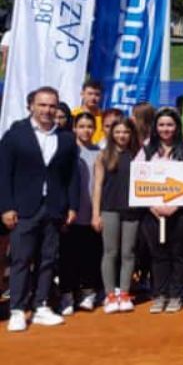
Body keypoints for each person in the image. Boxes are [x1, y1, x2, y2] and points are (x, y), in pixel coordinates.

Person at [140, 107, 183, 314]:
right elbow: (137, 179)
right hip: (153, 213)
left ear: (176, 127)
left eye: (169, 125)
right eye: (161, 125)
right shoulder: (147, 150)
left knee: (179, 254)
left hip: (180, 213)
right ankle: (160, 294)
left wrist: (174, 207)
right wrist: (154, 207)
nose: (165, 129)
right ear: (155, 127)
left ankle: (176, 294)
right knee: (158, 254)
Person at [93, 118, 141, 314]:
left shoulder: (138, 156)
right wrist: (95, 214)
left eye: (126, 132)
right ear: (112, 134)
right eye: (118, 132)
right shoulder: (103, 155)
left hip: (132, 210)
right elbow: (97, 186)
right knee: (110, 252)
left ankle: (125, 293)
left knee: (128, 252)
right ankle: (110, 294)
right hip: (109, 209)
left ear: (131, 134)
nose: (122, 136)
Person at [60, 112, 102, 315]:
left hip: (91, 213)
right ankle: (67, 294)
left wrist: (97, 213)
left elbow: (100, 185)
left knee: (90, 255)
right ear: (74, 128)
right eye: (82, 126)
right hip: (70, 214)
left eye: (89, 126)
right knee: (68, 256)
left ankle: (88, 292)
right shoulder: (67, 150)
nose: (86, 130)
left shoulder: (99, 152)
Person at [71, 79, 105, 145]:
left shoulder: (105, 118)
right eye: (90, 94)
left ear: (101, 96)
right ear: (82, 94)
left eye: (97, 94)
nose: (93, 98)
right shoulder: (73, 116)